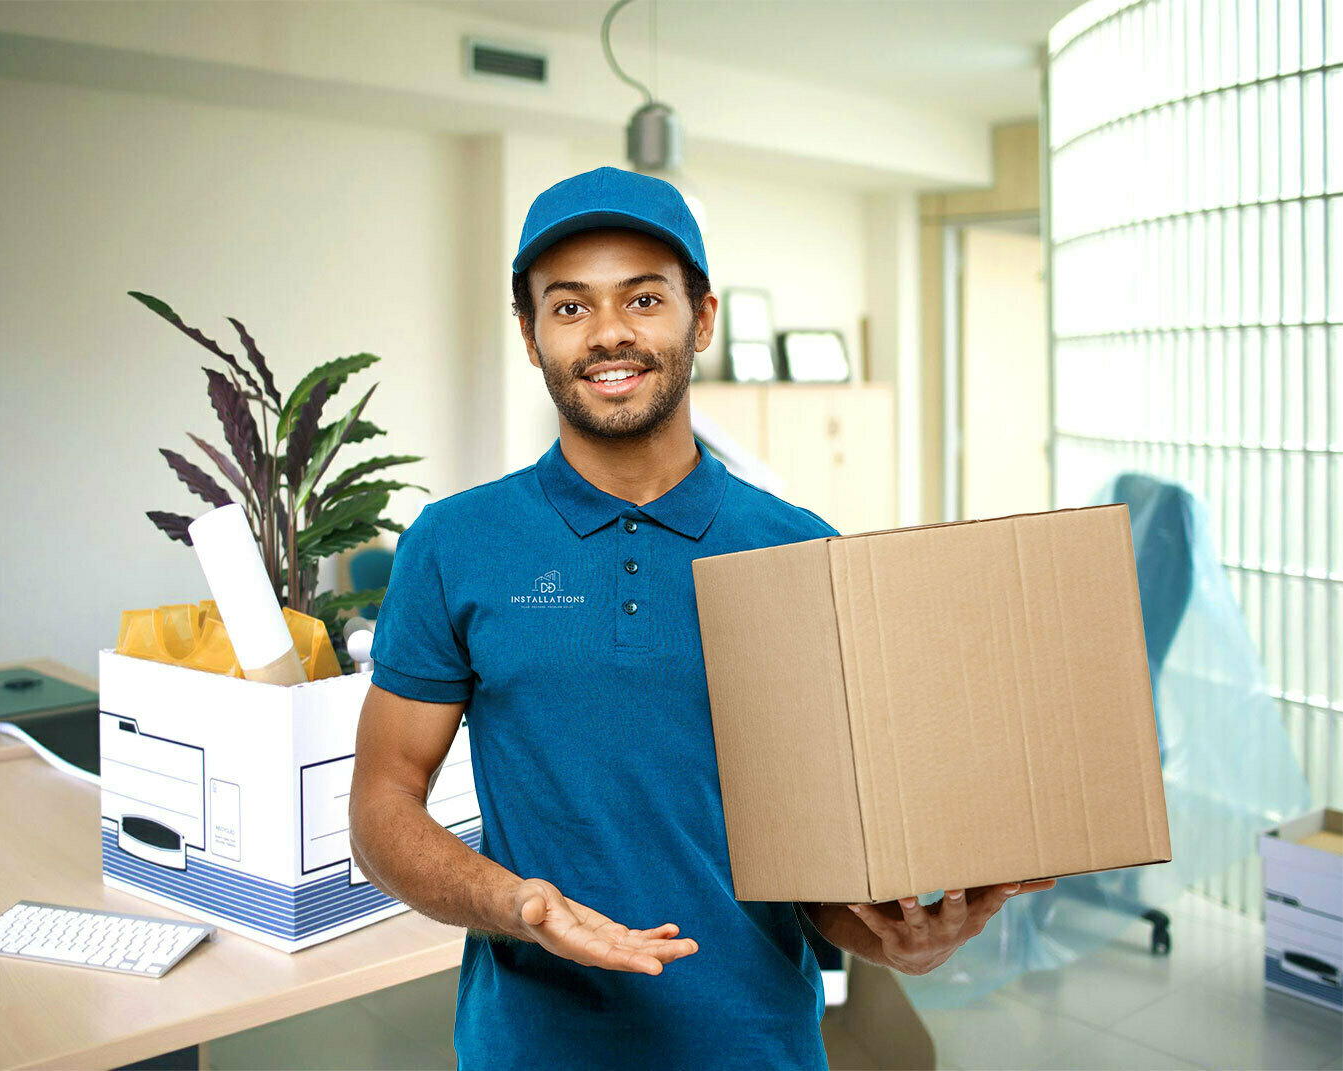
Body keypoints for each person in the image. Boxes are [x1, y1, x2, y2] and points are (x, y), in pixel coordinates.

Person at [348, 166, 1054, 1070]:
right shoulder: (455, 542)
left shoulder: (798, 548)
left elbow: (814, 856)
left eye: (643, 298)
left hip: (754, 1045)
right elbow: (381, 803)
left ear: (702, 319)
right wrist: (513, 903)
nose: (609, 332)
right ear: (529, 335)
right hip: (529, 1047)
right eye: (569, 307)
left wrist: (891, 939)